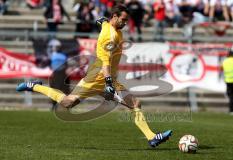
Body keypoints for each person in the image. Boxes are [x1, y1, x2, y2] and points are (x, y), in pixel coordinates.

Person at [16, 4, 172, 148]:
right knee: (68, 103)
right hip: (98, 78)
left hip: (106, 78)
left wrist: (101, 22)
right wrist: (109, 84)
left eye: (127, 20)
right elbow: (105, 63)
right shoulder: (109, 37)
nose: (125, 23)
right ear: (115, 17)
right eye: (123, 19)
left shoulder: (110, 26)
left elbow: (102, 22)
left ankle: (152, 137)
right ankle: (34, 86)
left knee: (134, 103)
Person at [48, 39, 70, 110]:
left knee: (55, 90)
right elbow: (66, 66)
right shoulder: (64, 56)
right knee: (65, 90)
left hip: (57, 74)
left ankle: (54, 105)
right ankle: (66, 105)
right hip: (62, 74)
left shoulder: (54, 56)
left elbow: (51, 66)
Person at [222, 50, 233, 115]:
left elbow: (222, 69)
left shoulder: (225, 61)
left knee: (231, 96)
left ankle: (231, 111)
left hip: (228, 81)